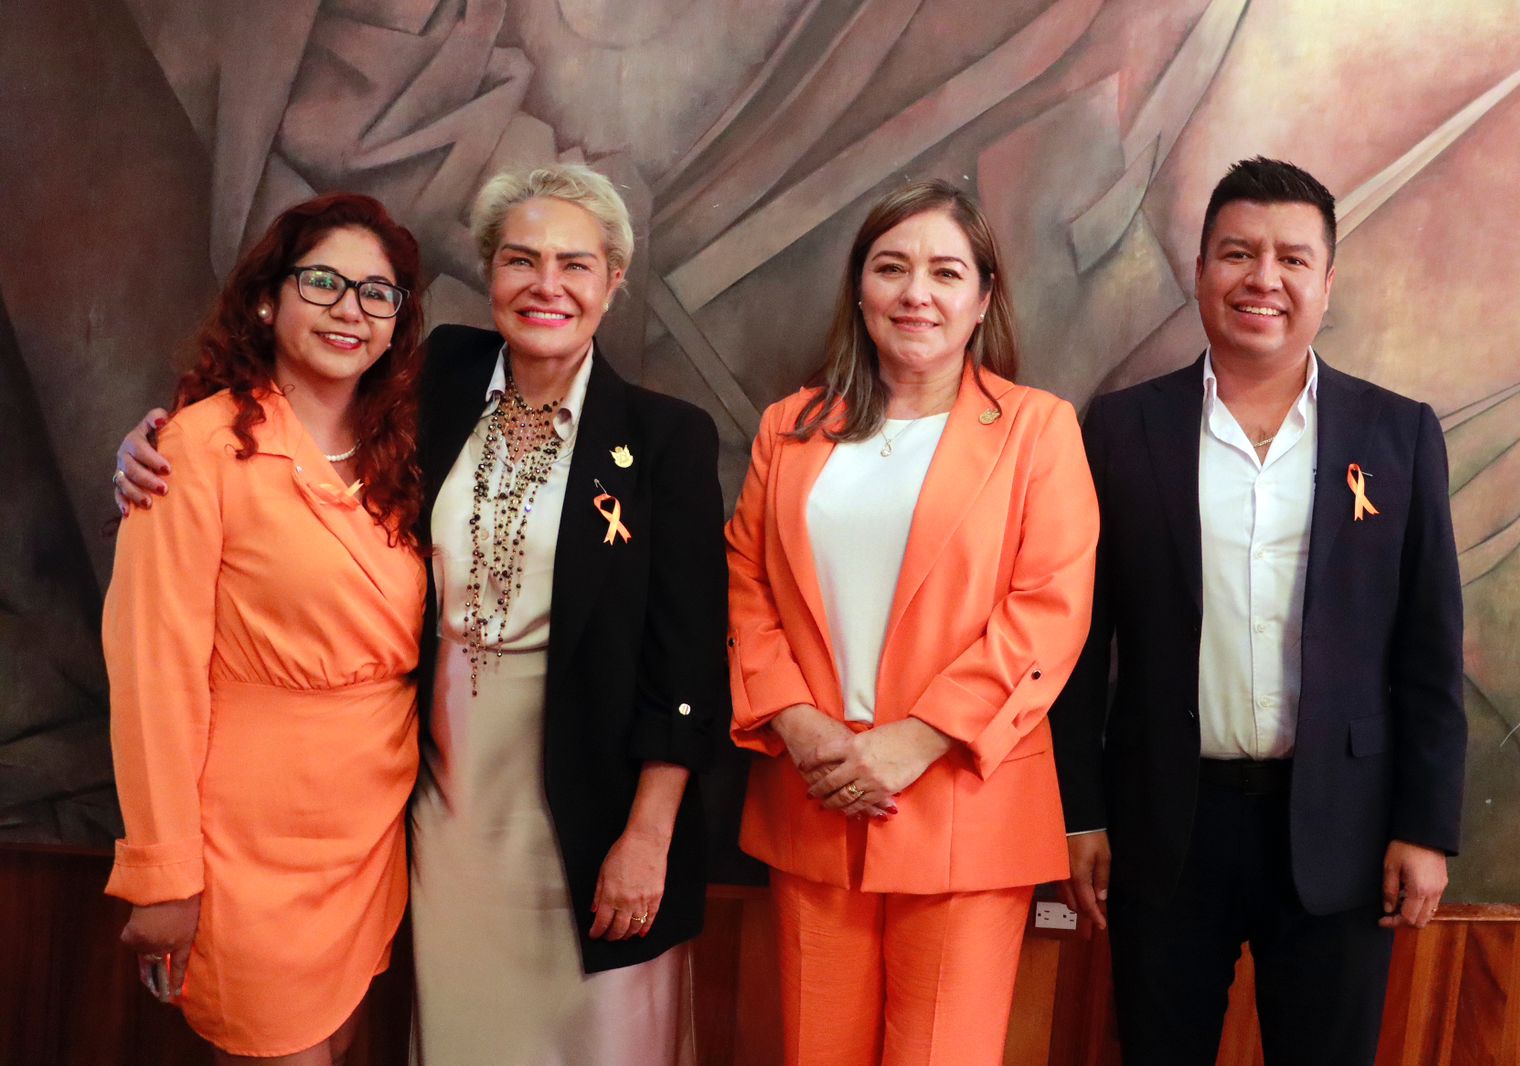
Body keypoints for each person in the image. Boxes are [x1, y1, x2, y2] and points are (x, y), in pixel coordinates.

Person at [113, 164, 730, 1065]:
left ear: (613, 283)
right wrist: (150, 449)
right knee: (464, 1028)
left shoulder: (665, 436)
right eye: (520, 259)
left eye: (575, 265)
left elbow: (688, 660)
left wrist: (648, 836)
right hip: (437, 793)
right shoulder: (433, 380)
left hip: (593, 794)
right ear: (487, 274)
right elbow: (280, 431)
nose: (547, 285)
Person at [1052, 157, 1467, 1066]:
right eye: (1238, 254)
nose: (1263, 279)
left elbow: (1430, 651)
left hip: (1344, 829)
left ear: (1327, 281)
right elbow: (1077, 641)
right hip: (1165, 825)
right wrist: (1079, 815)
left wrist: (1426, 827)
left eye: (1291, 258)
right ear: (1201, 269)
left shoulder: (1397, 433)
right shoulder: (1122, 428)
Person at [725, 179, 1099, 1066]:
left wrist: (918, 739)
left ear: (984, 297)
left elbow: (1048, 610)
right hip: (815, 795)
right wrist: (799, 723)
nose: (916, 293)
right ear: (860, 289)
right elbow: (747, 583)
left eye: (945, 272)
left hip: (964, 800)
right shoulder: (789, 429)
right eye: (891, 268)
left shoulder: (1038, 430)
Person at [103, 193, 428, 1064]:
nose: (350, 309)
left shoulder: (406, 447)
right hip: (245, 845)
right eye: (322, 283)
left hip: (371, 829)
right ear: (265, 300)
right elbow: (152, 671)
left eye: (376, 292)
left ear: (397, 322)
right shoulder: (194, 450)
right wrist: (164, 872)